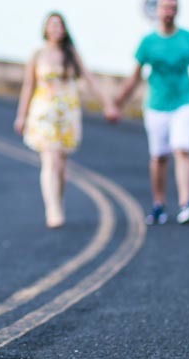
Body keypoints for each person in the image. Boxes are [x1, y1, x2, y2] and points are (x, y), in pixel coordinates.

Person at [112, 0, 189, 225]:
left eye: (172, 8)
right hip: (156, 105)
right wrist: (116, 104)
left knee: (182, 149)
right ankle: (159, 204)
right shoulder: (148, 42)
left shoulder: (188, 39)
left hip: (184, 103)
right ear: (156, 12)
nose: (168, 12)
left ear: (177, 11)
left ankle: (186, 202)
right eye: (165, 8)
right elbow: (134, 78)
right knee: (159, 157)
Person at [15, 12, 119, 228]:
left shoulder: (71, 54)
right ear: (45, 29)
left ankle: (58, 200)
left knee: (61, 164)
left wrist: (107, 103)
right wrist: (21, 115)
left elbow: (90, 79)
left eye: (59, 26)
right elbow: (28, 86)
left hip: (67, 113)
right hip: (44, 112)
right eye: (51, 25)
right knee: (50, 159)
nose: (55, 30)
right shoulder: (37, 55)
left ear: (64, 30)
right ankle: (52, 209)